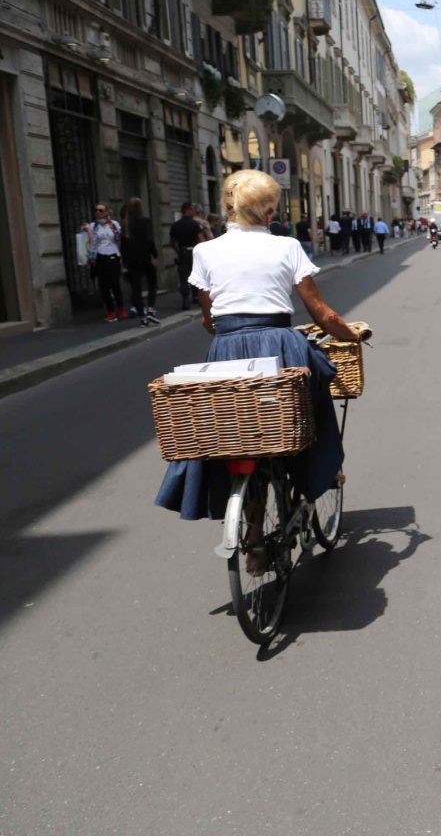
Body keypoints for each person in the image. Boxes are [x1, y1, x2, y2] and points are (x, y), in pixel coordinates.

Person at [156, 169, 364, 551]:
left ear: (228, 208)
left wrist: (234, 341)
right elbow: (322, 314)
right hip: (280, 345)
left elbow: (209, 319)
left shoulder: (204, 251)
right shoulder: (286, 247)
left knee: (240, 436)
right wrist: (351, 334)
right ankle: (320, 472)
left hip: (227, 350)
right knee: (314, 396)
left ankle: (251, 533)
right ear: (269, 212)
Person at [82, 202, 125, 322]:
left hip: (113, 255)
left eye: (100, 210)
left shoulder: (114, 224)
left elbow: (119, 239)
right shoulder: (93, 225)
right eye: (96, 210)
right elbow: (91, 242)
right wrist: (88, 230)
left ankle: (121, 307)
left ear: (107, 212)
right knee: (104, 285)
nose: (97, 212)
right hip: (100, 256)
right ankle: (111, 311)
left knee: (115, 283)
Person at [121, 197, 160, 326]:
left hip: (132, 260)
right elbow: (149, 240)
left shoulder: (125, 225)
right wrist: (154, 255)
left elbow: (123, 246)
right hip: (145, 257)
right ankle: (150, 310)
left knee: (136, 289)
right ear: (140, 208)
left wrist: (125, 262)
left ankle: (142, 317)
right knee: (152, 283)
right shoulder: (145, 221)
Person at [170, 202, 204, 311]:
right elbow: (201, 239)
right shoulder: (195, 224)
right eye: (193, 210)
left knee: (183, 277)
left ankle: (185, 300)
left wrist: (178, 250)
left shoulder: (175, 225)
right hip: (193, 252)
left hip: (182, 252)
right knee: (196, 275)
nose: (194, 212)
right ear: (188, 210)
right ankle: (196, 297)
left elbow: (171, 242)